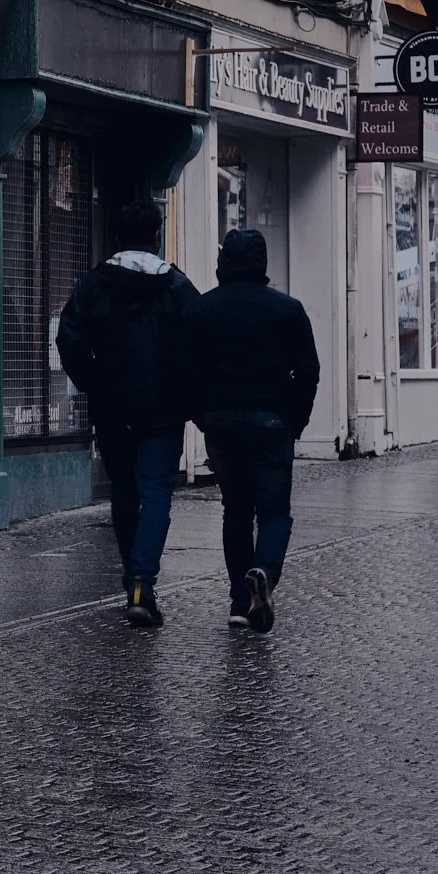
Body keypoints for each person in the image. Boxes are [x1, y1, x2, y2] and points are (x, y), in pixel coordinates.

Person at [56, 198, 198, 627]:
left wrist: (94, 382)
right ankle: (142, 581)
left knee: (124, 492)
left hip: (113, 406)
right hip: (163, 407)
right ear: (156, 236)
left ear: (118, 236)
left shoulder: (94, 284)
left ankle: (135, 577)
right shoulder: (176, 287)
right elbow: (199, 345)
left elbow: (70, 340)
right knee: (156, 492)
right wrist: (187, 393)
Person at [177, 227, 319, 633]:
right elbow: (308, 371)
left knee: (236, 512)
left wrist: (200, 414)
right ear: (263, 264)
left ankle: (241, 603)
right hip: (271, 420)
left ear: (223, 264)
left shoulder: (201, 310)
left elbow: (184, 372)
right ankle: (264, 573)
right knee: (274, 514)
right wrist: (296, 419)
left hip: (221, 421)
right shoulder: (287, 309)